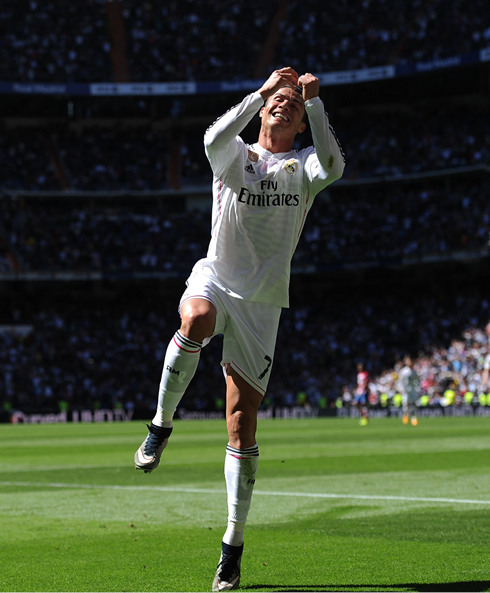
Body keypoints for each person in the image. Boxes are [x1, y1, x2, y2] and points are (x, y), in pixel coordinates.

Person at [134, 66, 345, 591]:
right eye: (281, 100)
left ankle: (232, 544)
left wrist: (315, 104)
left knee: (240, 425)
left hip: (262, 304)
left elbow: (336, 165)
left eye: (294, 106)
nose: (286, 105)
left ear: (300, 124)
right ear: (264, 108)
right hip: (217, 279)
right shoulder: (235, 156)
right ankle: (161, 425)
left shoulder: (304, 166)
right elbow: (211, 137)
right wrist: (261, 92)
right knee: (196, 318)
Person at [398, 355, 420, 425]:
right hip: (406, 390)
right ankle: (406, 415)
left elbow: (417, 380)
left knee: (414, 403)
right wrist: (401, 389)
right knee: (406, 404)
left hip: (413, 389)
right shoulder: (403, 371)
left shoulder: (414, 371)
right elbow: (400, 381)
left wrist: (418, 388)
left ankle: (414, 418)